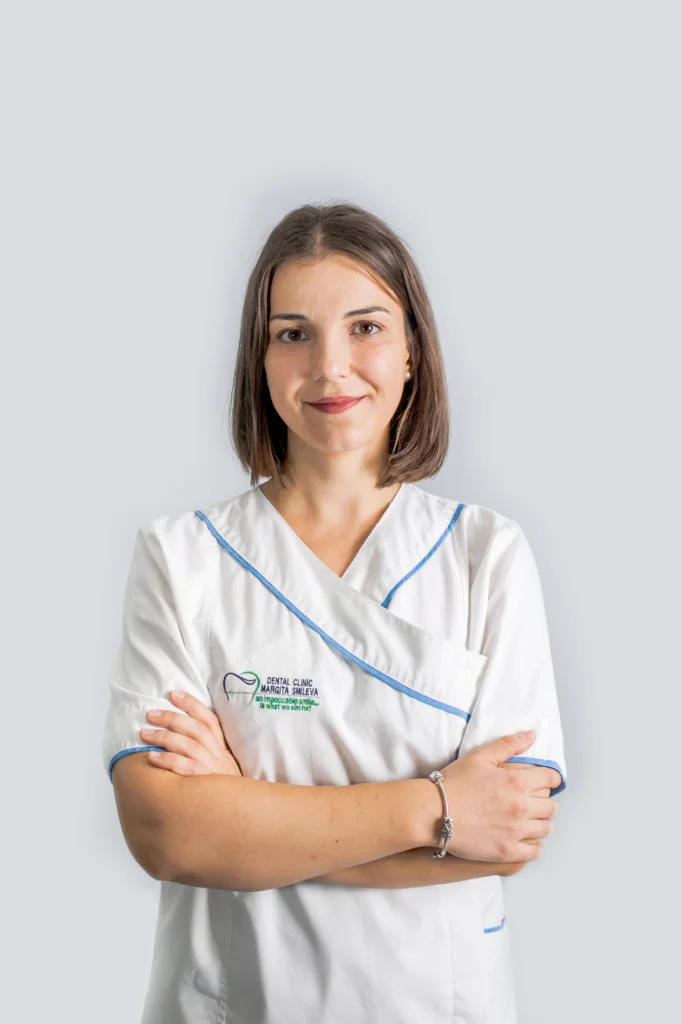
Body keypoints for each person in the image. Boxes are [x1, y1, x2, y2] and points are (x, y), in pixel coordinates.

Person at [102, 201, 567, 1024]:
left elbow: (508, 833)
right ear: (259, 359)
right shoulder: (183, 556)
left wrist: (242, 814)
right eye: (293, 334)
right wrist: (439, 809)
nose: (330, 367)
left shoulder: (485, 556)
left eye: (366, 327)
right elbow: (169, 836)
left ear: (413, 350)